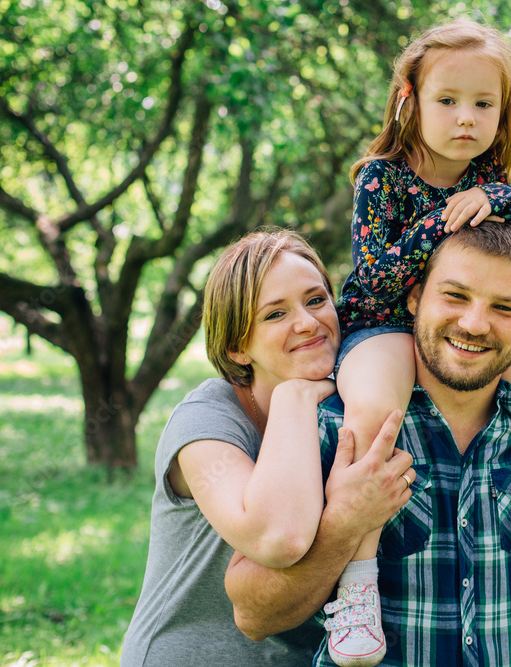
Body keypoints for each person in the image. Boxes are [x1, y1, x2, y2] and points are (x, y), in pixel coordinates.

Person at [328, 18, 511, 666]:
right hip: (383, 325)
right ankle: (355, 590)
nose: (466, 118)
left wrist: (497, 198)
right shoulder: (382, 178)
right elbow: (373, 278)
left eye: (483, 104)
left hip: (471, 331)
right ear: (410, 98)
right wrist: (439, 224)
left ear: (502, 111)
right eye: (449, 100)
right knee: (376, 412)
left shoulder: (493, 184)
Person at [226, 222, 511, 667]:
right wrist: (343, 526)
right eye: (455, 296)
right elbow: (253, 612)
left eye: (505, 307)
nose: (474, 324)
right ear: (414, 298)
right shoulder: (340, 427)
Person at [120, 229, 415, 666]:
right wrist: (294, 395)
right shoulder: (205, 422)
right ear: (238, 346)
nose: (307, 322)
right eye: (276, 314)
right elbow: (280, 537)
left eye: (316, 300)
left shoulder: (350, 404)